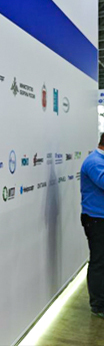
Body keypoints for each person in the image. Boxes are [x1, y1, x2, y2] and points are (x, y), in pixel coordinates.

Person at [80, 133, 104, 318]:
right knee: (99, 261)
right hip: (96, 220)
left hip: (100, 218)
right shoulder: (94, 162)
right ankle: (98, 305)